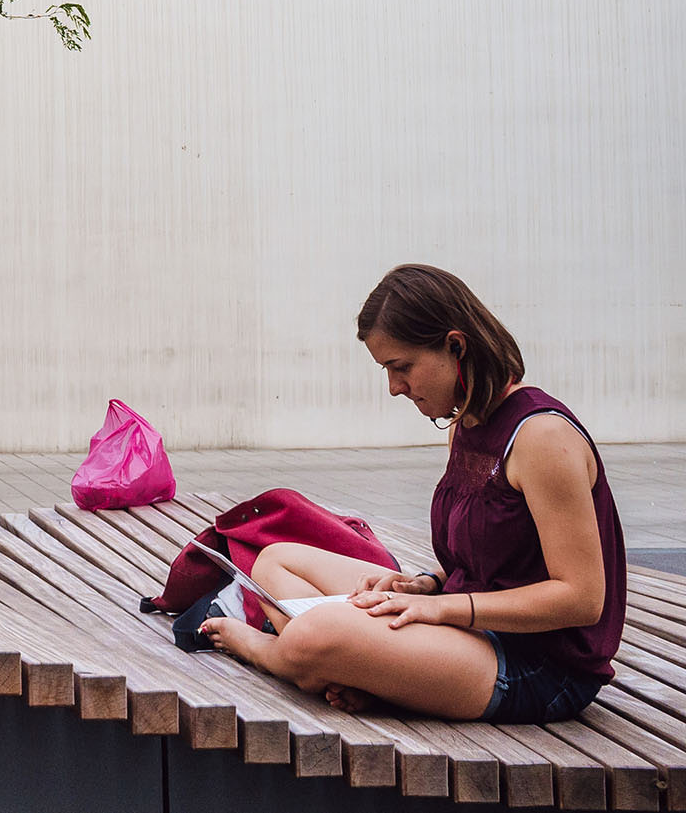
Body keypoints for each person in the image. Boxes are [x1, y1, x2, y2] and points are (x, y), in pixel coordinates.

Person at [201, 264, 626, 723]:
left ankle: (274, 652)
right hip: (472, 627)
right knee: (274, 560)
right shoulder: (466, 424)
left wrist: (440, 608)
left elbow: (581, 599)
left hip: (537, 667)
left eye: (401, 367)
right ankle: (356, 670)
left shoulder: (542, 438)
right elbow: (495, 559)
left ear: (456, 345)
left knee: (314, 632)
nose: (394, 388)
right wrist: (425, 584)